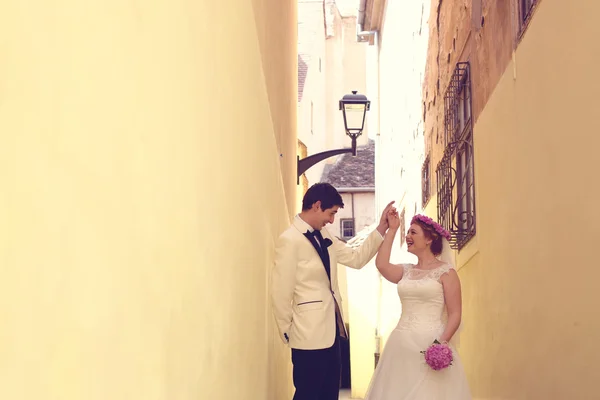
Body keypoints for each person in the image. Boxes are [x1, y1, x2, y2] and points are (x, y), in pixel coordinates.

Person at [271, 183, 394, 400]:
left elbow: (356, 258)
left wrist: (382, 228)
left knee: (329, 396)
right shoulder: (289, 240)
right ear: (317, 206)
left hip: (333, 336)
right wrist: (289, 332)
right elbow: (280, 292)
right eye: (332, 213)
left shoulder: (324, 236)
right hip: (306, 336)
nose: (332, 220)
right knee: (308, 395)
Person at [364, 211, 471, 400]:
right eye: (407, 233)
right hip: (401, 346)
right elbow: (381, 264)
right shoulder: (406, 271)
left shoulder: (447, 273)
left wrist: (440, 344)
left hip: (431, 343)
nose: (408, 237)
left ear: (429, 239)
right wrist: (392, 229)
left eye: (413, 232)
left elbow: (455, 314)